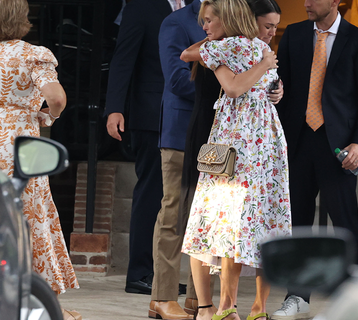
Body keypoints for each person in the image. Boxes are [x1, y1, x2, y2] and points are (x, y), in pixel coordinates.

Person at [0, 0, 80, 319]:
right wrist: (48, 115)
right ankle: (36, 297)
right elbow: (57, 98)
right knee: (28, 215)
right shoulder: (31, 54)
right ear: (21, 18)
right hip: (17, 144)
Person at [180, 0, 291, 319]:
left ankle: (228, 307)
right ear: (249, 19)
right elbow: (198, 60)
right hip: (256, 139)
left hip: (241, 141)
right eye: (267, 25)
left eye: (209, 20)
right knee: (258, 219)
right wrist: (265, 66)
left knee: (231, 222)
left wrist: (275, 84)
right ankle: (243, 307)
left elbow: (191, 56)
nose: (272, 32)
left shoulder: (236, 48)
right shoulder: (252, 50)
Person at [272, 0, 358, 318]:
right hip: (297, 142)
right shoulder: (292, 34)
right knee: (297, 223)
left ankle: (353, 300)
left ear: (336, 1)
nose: (306, 3)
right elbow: (283, 87)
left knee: (345, 224)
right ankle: (297, 297)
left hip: (339, 148)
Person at [104, 0, 190, 295]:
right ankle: (139, 273)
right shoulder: (141, 7)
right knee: (152, 192)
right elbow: (123, 57)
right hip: (150, 114)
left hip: (185, 116)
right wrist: (114, 108)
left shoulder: (199, 8)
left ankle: (161, 276)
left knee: (175, 200)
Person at [147, 0, 205, 319]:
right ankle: (163, 296)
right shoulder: (177, 22)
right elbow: (178, 80)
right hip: (181, 133)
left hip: (217, 135)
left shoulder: (233, 21)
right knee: (174, 214)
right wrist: (229, 88)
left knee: (207, 217)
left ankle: (199, 299)